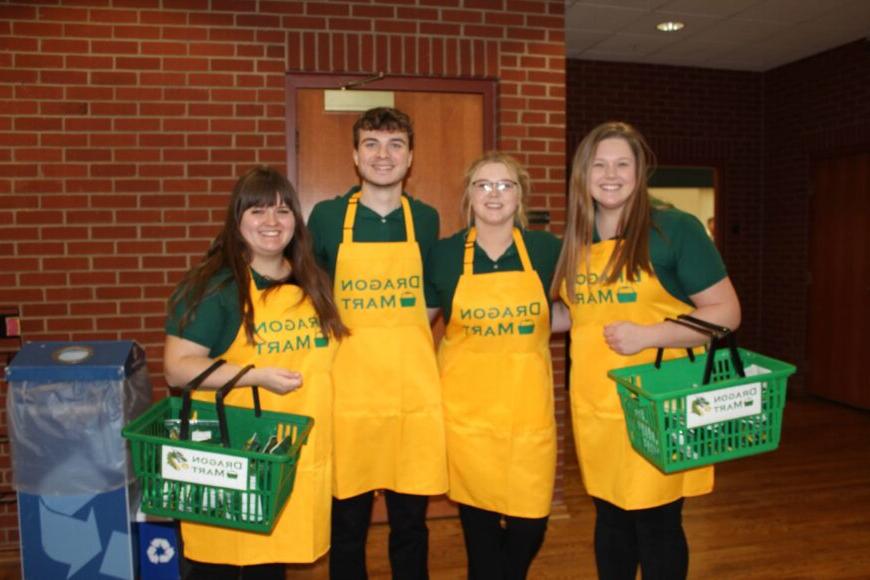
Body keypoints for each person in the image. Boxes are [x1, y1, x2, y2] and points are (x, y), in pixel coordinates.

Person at [551, 121, 741, 580]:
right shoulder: (577, 237)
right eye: (599, 164)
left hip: (660, 402)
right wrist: (513, 322)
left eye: (622, 164)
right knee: (610, 518)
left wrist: (649, 334)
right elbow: (581, 314)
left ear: (640, 172)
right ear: (582, 173)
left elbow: (726, 312)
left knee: (656, 521)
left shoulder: (674, 229)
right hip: (597, 405)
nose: (610, 174)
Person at [163, 166, 348, 580]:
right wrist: (255, 376)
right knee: (222, 566)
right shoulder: (217, 287)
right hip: (228, 456)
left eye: (282, 212)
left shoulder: (312, 281)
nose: (271, 222)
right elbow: (178, 368)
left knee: (269, 566)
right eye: (258, 211)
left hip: (289, 455)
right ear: (237, 220)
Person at [307, 107, 447, 579]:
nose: (382, 155)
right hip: (349, 393)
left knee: (411, 521)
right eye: (371, 144)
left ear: (410, 158)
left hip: (411, 392)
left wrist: (401, 329)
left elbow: (433, 293)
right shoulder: (326, 217)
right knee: (348, 521)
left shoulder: (426, 219)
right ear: (354, 155)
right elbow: (308, 296)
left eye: (394, 145)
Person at [425, 152, 562, 579]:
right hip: (467, 416)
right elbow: (416, 326)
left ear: (521, 196)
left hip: (527, 412)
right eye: (483, 185)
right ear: (468, 195)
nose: (494, 194)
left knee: (531, 523)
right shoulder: (444, 255)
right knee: (479, 528)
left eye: (506, 185)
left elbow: (580, 310)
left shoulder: (548, 251)